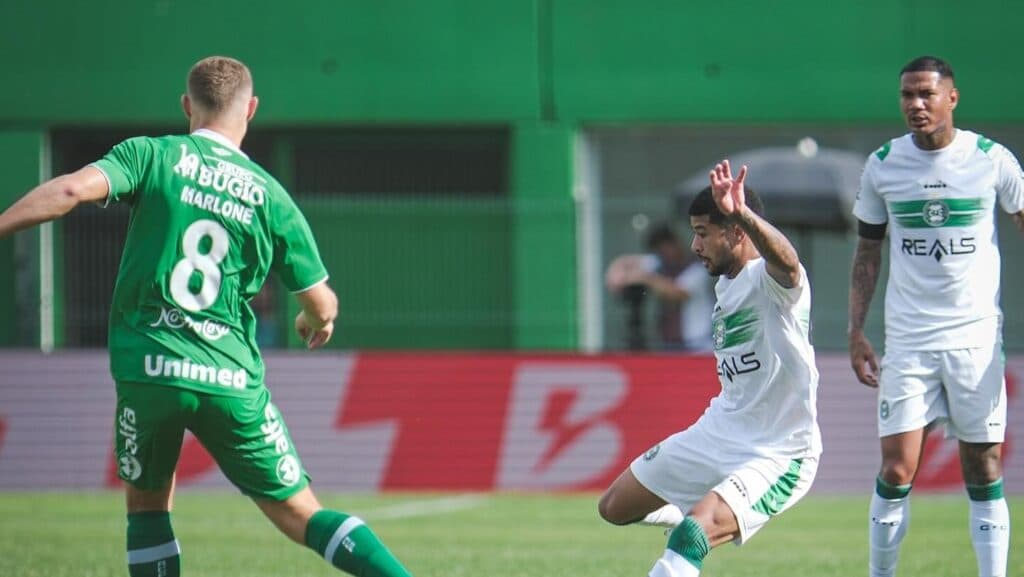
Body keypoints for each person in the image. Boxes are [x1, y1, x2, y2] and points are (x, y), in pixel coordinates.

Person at [0, 56, 413, 577]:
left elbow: (67, 192)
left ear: (186, 106)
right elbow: (322, 300)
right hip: (228, 374)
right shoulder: (270, 195)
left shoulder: (150, 155)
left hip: (149, 367)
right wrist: (315, 319)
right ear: (252, 108)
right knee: (299, 513)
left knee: (148, 508)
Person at [598, 160, 822, 577]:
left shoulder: (771, 282)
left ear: (736, 231)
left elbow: (789, 264)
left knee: (690, 539)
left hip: (778, 449)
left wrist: (744, 213)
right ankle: (688, 510)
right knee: (613, 507)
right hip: (719, 430)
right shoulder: (724, 283)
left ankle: (693, 524)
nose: (695, 246)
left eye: (702, 234)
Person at [849, 55, 1023, 577]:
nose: (916, 105)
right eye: (907, 95)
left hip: (975, 339)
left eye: (927, 94)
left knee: (983, 467)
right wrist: (855, 331)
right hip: (909, 340)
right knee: (897, 467)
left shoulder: (992, 160)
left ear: (953, 97)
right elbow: (867, 253)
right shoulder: (883, 164)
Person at [606, 223, 715, 352]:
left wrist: (644, 278)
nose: (665, 254)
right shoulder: (660, 263)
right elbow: (627, 262)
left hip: (698, 345)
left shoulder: (698, 269)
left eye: (666, 248)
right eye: (660, 251)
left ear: (675, 243)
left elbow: (675, 293)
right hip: (670, 346)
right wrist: (615, 274)